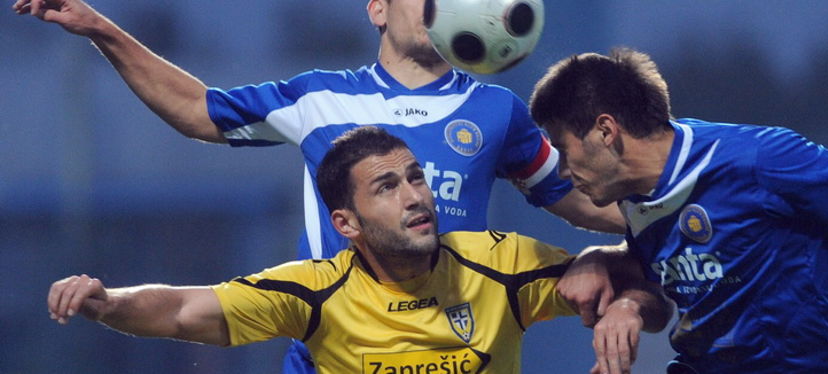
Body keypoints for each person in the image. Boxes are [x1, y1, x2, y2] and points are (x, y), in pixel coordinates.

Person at [14, 0, 627, 371]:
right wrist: (102, 30)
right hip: (336, 346)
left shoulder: (496, 109)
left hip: (460, 347)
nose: (444, 0)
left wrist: (668, 216)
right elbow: (197, 110)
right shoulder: (320, 96)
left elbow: (583, 200)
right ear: (379, 9)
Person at [47, 127, 671, 374]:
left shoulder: (500, 262)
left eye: (416, 177)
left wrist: (627, 306)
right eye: (387, 187)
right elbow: (183, 309)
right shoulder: (314, 290)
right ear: (345, 222)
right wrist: (107, 301)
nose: (414, 196)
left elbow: (646, 274)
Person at [527, 47, 828, 373]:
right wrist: (627, 302)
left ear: (605, 131)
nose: (564, 172)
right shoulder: (634, 197)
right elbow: (661, 298)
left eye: (563, 150)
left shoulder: (757, 160)